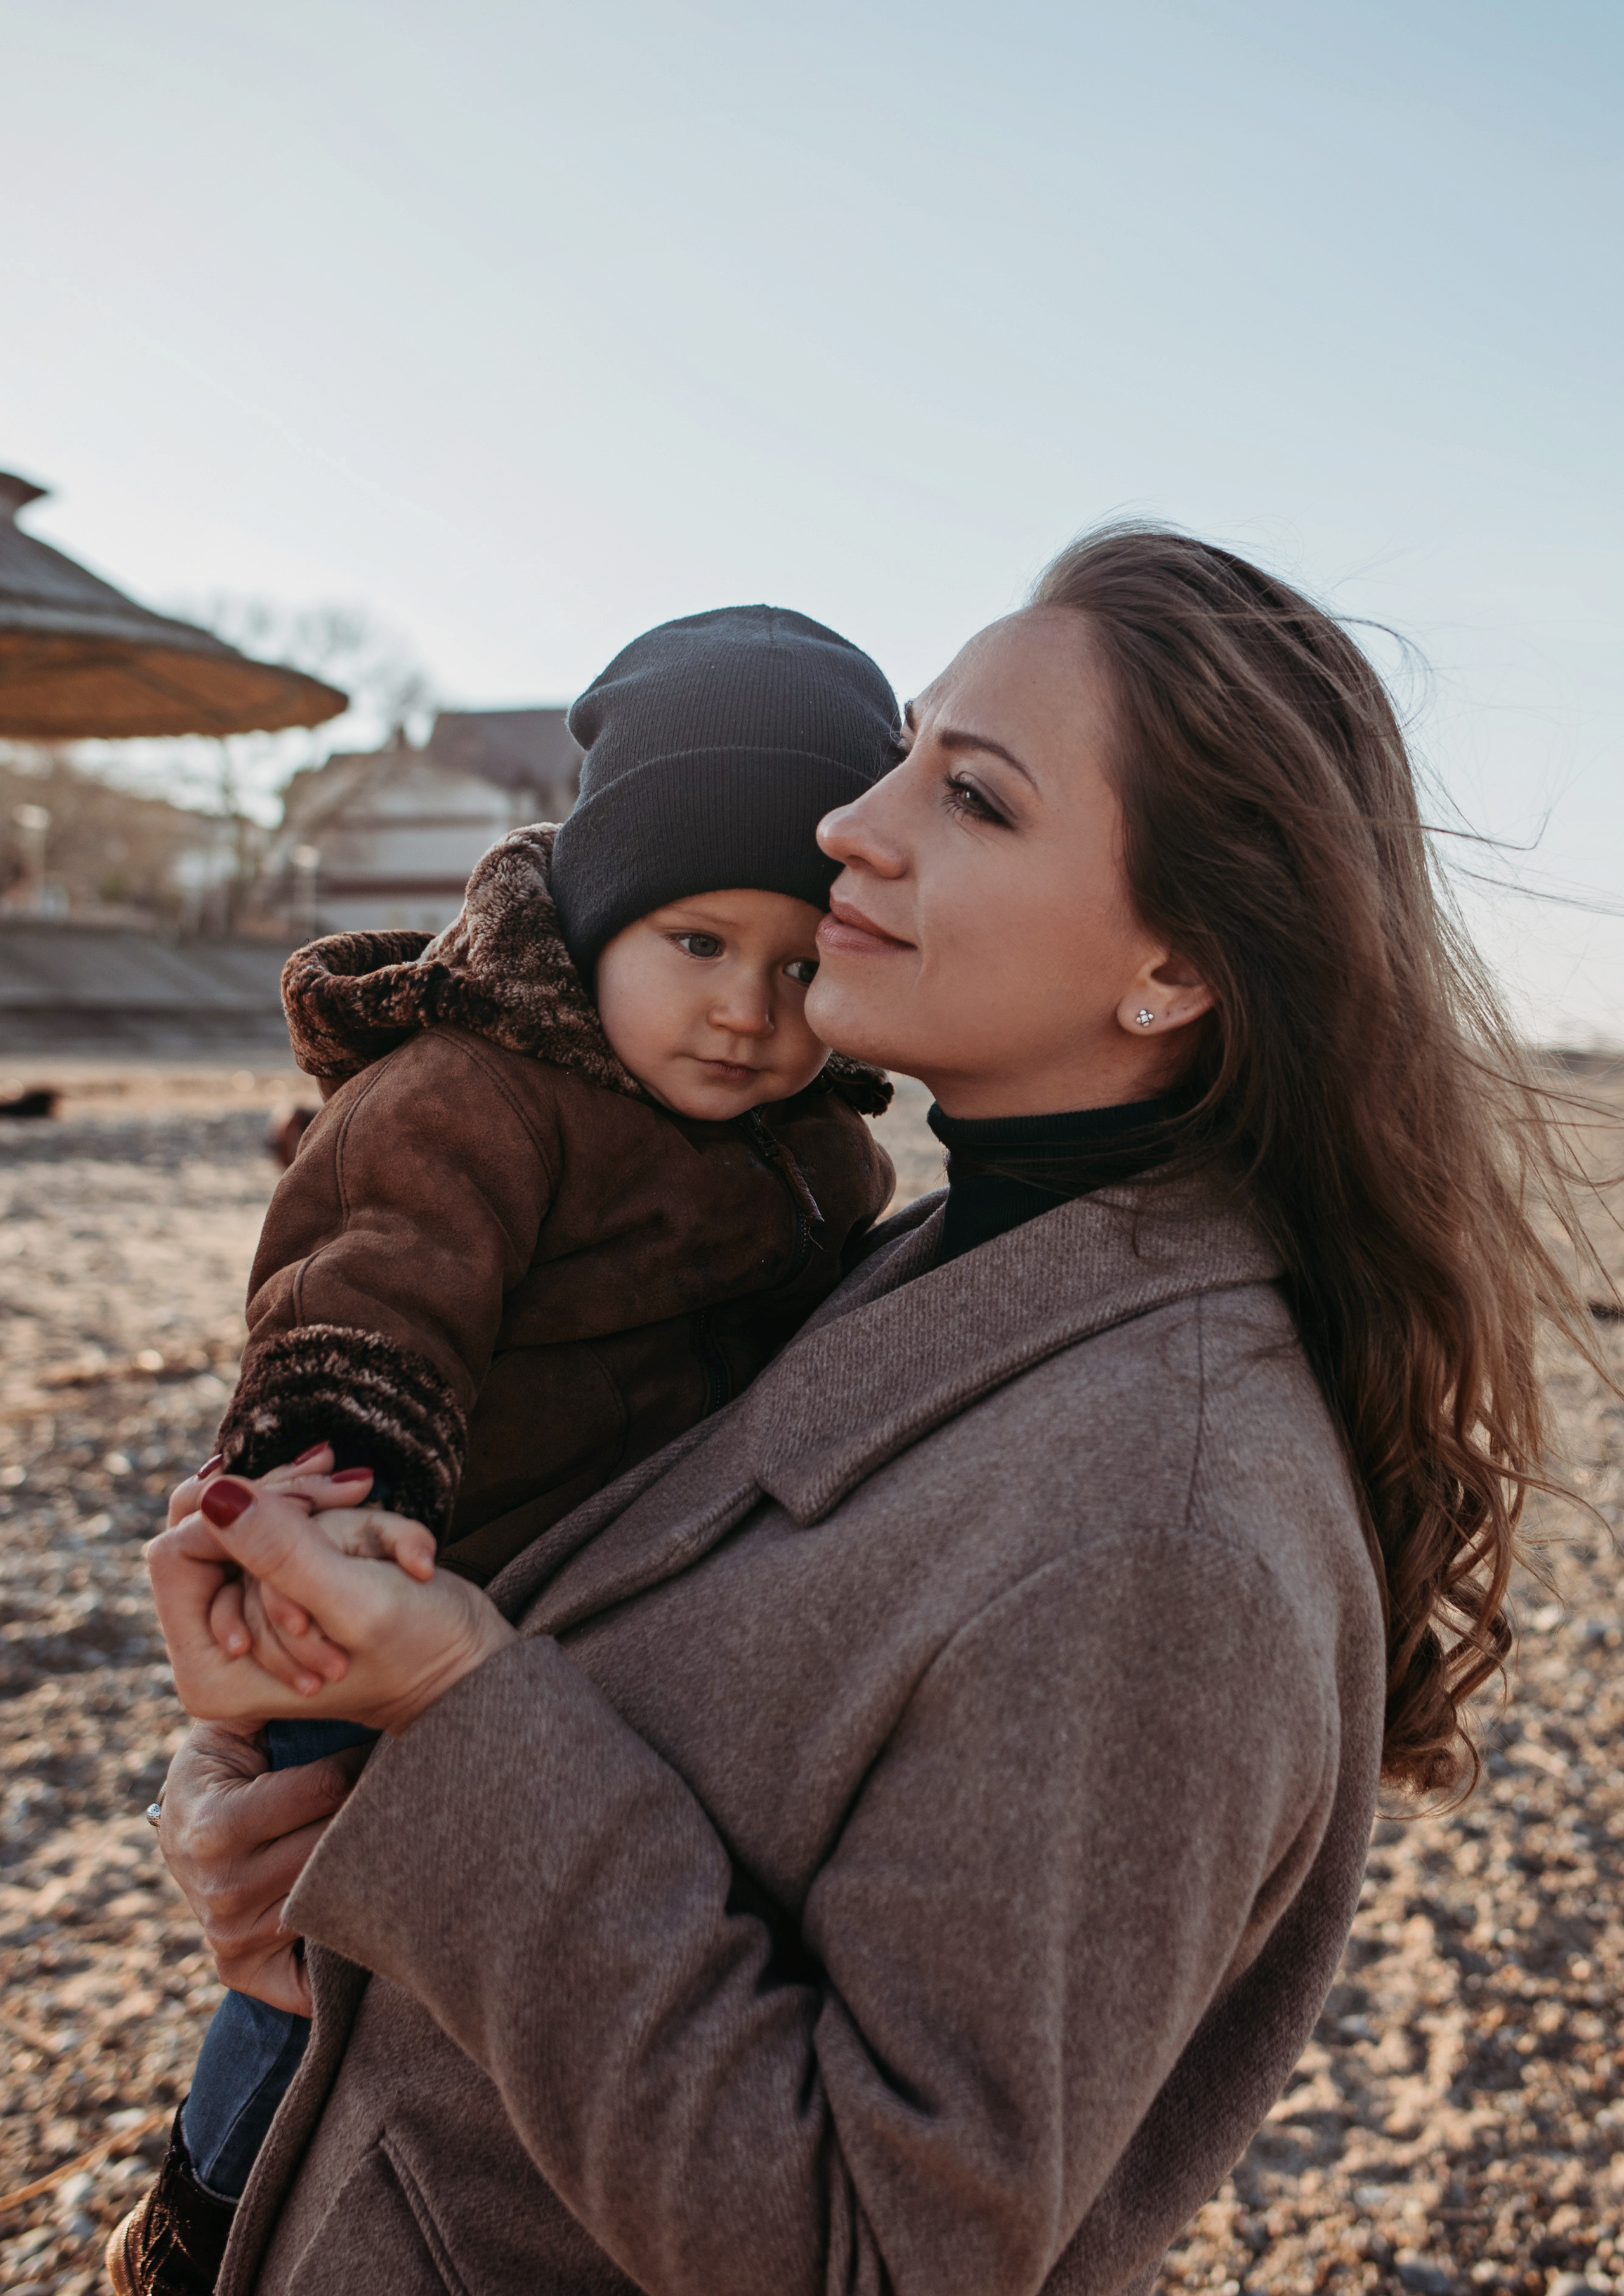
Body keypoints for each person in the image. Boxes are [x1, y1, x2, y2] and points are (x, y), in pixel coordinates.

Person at [142, 527, 1587, 2296]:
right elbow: (590, 1615)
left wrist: (448, 1713)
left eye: (972, 797)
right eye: (902, 744)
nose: (850, 822)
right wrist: (284, 1811)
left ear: (1177, 967)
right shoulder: (892, 1254)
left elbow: (873, 2251)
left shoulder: (1167, 1527)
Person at [110, 604, 900, 2294]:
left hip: (588, 1629)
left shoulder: (819, 1157)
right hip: (399, 1584)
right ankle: (212, 2200)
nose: (749, 1010)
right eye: (696, 941)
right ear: (602, 909)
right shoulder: (475, 1090)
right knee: (313, 1934)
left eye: (800, 963)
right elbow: (363, 1280)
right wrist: (336, 1487)